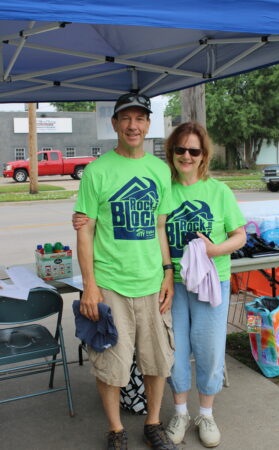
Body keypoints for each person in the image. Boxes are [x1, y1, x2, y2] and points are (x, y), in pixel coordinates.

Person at [74, 92, 178, 450]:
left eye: (140, 118)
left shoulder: (160, 170)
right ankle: (116, 430)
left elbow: (161, 227)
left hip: (151, 282)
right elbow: (84, 230)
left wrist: (168, 273)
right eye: (126, 118)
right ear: (115, 124)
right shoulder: (97, 171)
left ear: (148, 124)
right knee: (111, 363)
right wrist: (89, 286)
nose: (133, 125)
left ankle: (153, 423)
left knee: (157, 359)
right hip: (111, 284)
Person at [164, 122, 246, 448]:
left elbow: (239, 235)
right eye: (180, 149)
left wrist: (213, 250)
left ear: (203, 155)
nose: (186, 155)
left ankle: (206, 414)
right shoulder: (163, 189)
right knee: (176, 351)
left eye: (193, 150)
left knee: (210, 351)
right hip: (174, 284)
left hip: (212, 283)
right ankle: (181, 412)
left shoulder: (219, 191)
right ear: (171, 153)